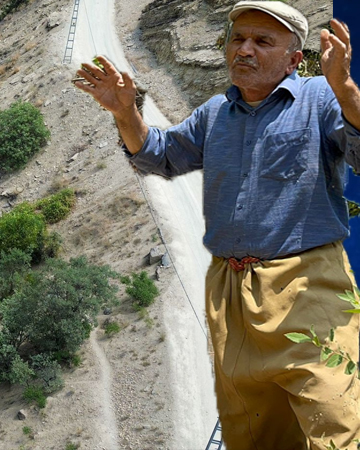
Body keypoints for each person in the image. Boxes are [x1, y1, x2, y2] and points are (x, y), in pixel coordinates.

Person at [74, 1, 360, 449]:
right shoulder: (214, 114)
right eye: (238, 38)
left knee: (338, 427)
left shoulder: (321, 100)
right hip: (230, 290)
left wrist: (344, 88)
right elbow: (160, 156)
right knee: (254, 433)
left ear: (293, 59)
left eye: (262, 41)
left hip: (308, 285)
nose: (243, 49)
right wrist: (124, 111)